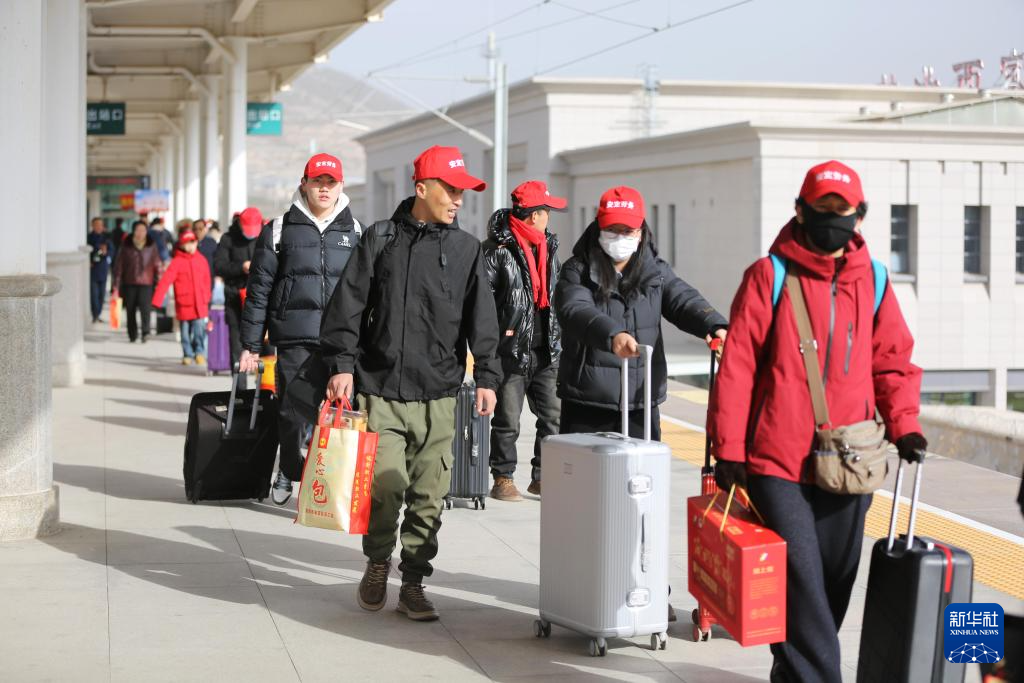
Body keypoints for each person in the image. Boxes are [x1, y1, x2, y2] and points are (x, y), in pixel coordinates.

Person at [706, 161, 926, 683]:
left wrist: (904, 425)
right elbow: (738, 366)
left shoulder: (874, 280)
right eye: (821, 208)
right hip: (776, 462)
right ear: (800, 211)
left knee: (833, 585)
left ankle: (791, 673)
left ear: (858, 216)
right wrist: (729, 449)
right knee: (801, 584)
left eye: (840, 210)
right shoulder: (770, 276)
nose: (831, 219)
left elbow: (892, 361)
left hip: (850, 460)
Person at [320, 145, 501, 622]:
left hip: (439, 394)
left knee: (429, 498)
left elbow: (482, 317)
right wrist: (341, 365)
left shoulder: (466, 250)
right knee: (385, 487)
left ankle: (414, 582)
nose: (458, 199)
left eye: (463, 192)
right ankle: (378, 561)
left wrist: (487, 375)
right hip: (379, 389)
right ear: (422, 188)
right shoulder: (380, 239)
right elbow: (348, 306)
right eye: (451, 189)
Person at [555, 185, 727, 623]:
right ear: (598, 228)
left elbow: (684, 300)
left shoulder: (654, 270)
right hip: (587, 401)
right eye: (612, 229)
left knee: (642, 506)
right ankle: (585, 587)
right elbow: (573, 310)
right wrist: (611, 333)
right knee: (585, 504)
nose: (620, 237)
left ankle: (647, 587)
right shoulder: (577, 269)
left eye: (628, 230)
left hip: (639, 403)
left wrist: (714, 325)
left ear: (641, 230)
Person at [238, 153, 363, 505]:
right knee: (292, 411)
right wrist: (250, 344)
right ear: (304, 184)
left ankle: (326, 484)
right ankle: (289, 466)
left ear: (341, 186)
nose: (324, 188)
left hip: (341, 341)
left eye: (330, 182)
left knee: (337, 412)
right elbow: (259, 289)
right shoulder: (279, 230)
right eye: (317, 181)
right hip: (294, 337)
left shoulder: (355, 231)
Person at [482, 180, 564, 501]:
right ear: (534, 215)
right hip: (511, 350)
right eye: (547, 211)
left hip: (546, 350)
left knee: (553, 417)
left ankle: (542, 477)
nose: (549, 217)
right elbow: (484, 305)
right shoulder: (496, 251)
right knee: (508, 421)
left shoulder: (548, 247)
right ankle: (503, 477)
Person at [214, 207, 263, 377]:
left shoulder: (265, 237)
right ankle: (240, 387)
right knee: (236, 343)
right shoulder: (228, 239)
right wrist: (241, 267)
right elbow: (219, 266)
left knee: (265, 343)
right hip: (235, 296)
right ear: (240, 224)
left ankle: (267, 386)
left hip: (260, 298)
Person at [152, 230, 212, 365]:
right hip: (185, 303)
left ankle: (199, 352)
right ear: (182, 245)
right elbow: (165, 281)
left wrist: (207, 297)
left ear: (196, 243)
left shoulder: (201, 260)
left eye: (192, 242)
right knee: (185, 331)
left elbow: (207, 280)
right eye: (187, 243)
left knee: (199, 329)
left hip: (200, 303)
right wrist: (157, 299)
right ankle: (187, 354)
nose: (190, 246)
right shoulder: (177, 262)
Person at [111, 220, 162, 343]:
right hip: (129, 282)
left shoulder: (151, 245)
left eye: (143, 230)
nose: (140, 233)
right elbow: (119, 267)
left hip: (146, 283)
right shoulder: (126, 245)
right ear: (133, 231)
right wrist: (116, 286)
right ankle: (132, 333)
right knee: (130, 310)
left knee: (145, 310)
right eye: (138, 230)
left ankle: (145, 333)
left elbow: (157, 264)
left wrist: (159, 281)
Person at [87, 217, 111, 323]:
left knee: (102, 294)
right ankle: (95, 314)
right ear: (92, 225)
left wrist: (106, 253)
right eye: (96, 224)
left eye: (100, 225)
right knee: (94, 294)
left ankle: (98, 314)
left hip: (103, 269)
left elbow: (112, 251)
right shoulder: (88, 238)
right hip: (93, 270)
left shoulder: (106, 238)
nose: (99, 227)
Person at [193, 218, 217, 286]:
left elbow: (216, 259)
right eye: (195, 229)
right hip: (193, 277)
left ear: (205, 229)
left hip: (208, 277)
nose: (198, 231)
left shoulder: (211, 242)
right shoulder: (190, 243)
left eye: (200, 229)